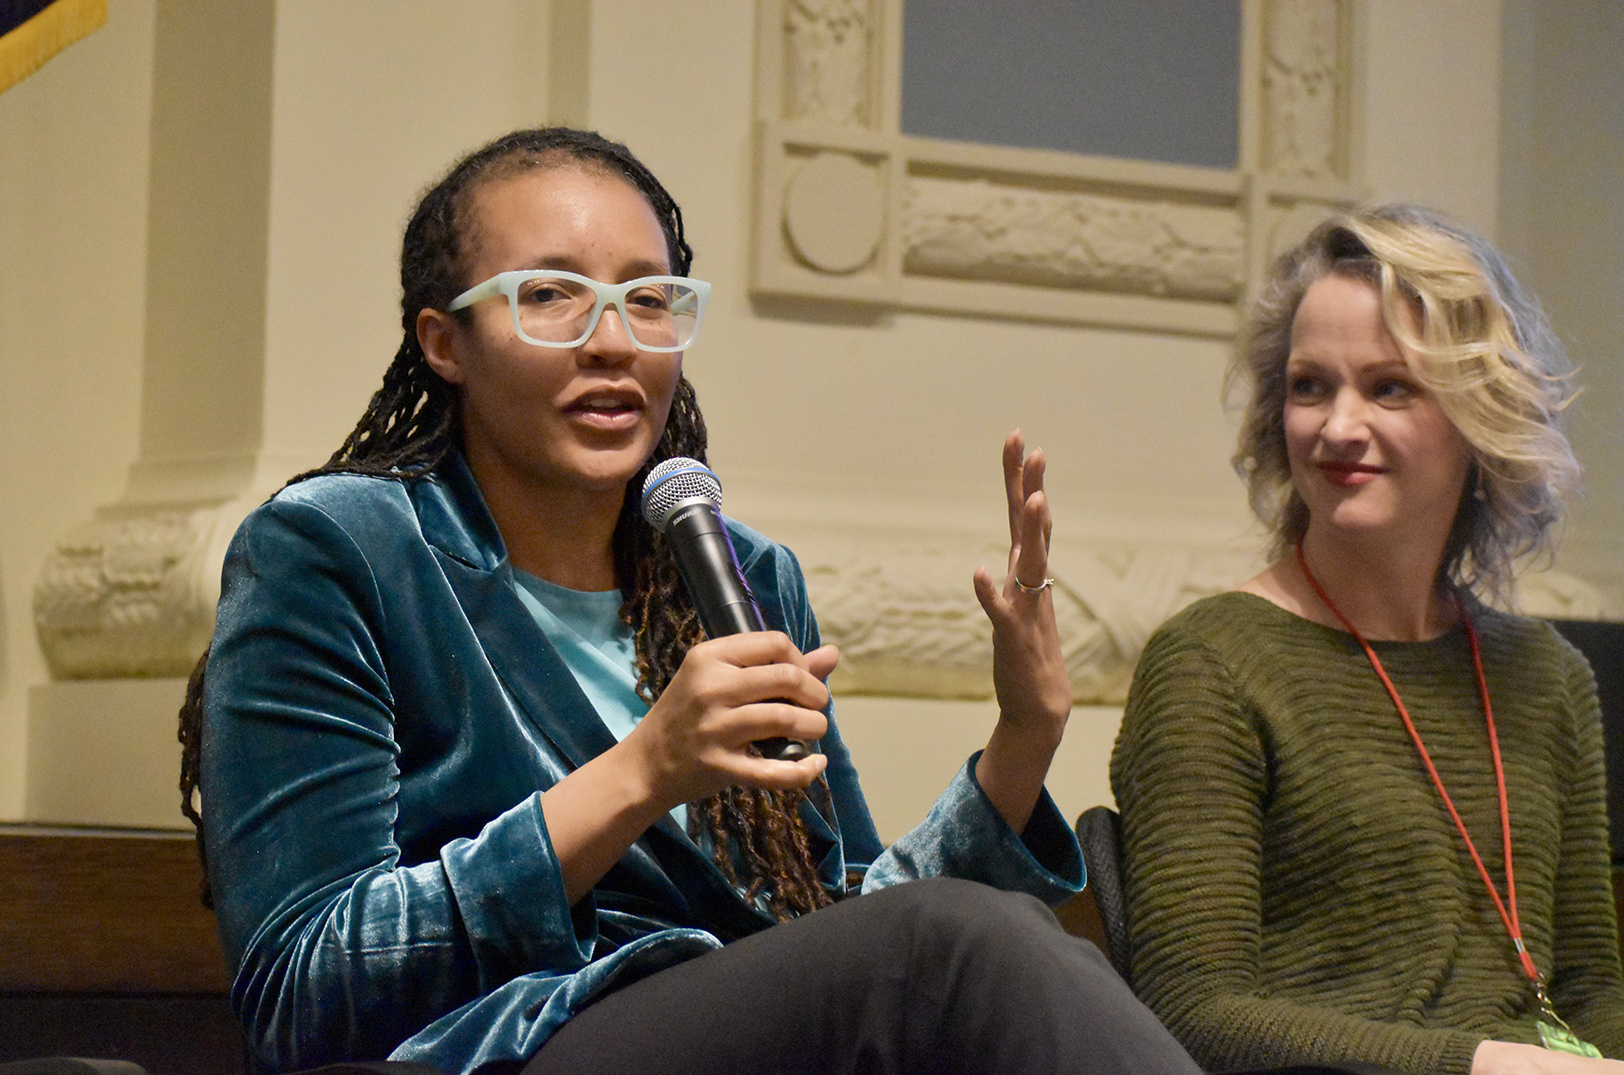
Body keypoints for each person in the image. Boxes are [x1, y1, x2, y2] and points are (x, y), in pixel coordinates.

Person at [177, 127, 1202, 1075]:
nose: (613, 340)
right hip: (495, 1048)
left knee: (961, 948)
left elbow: (840, 932)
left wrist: (1020, 742)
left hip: (734, 1038)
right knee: (954, 947)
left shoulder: (735, 573)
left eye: (649, 298)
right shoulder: (339, 550)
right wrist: (642, 771)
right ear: (445, 342)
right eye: (551, 295)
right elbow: (303, 989)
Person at [1110, 203, 1624, 1075]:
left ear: (1476, 415)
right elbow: (1192, 1014)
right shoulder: (1210, 662)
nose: (1338, 426)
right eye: (1310, 386)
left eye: (1389, 386)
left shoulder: (1548, 677)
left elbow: (1590, 995)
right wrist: (1485, 1064)